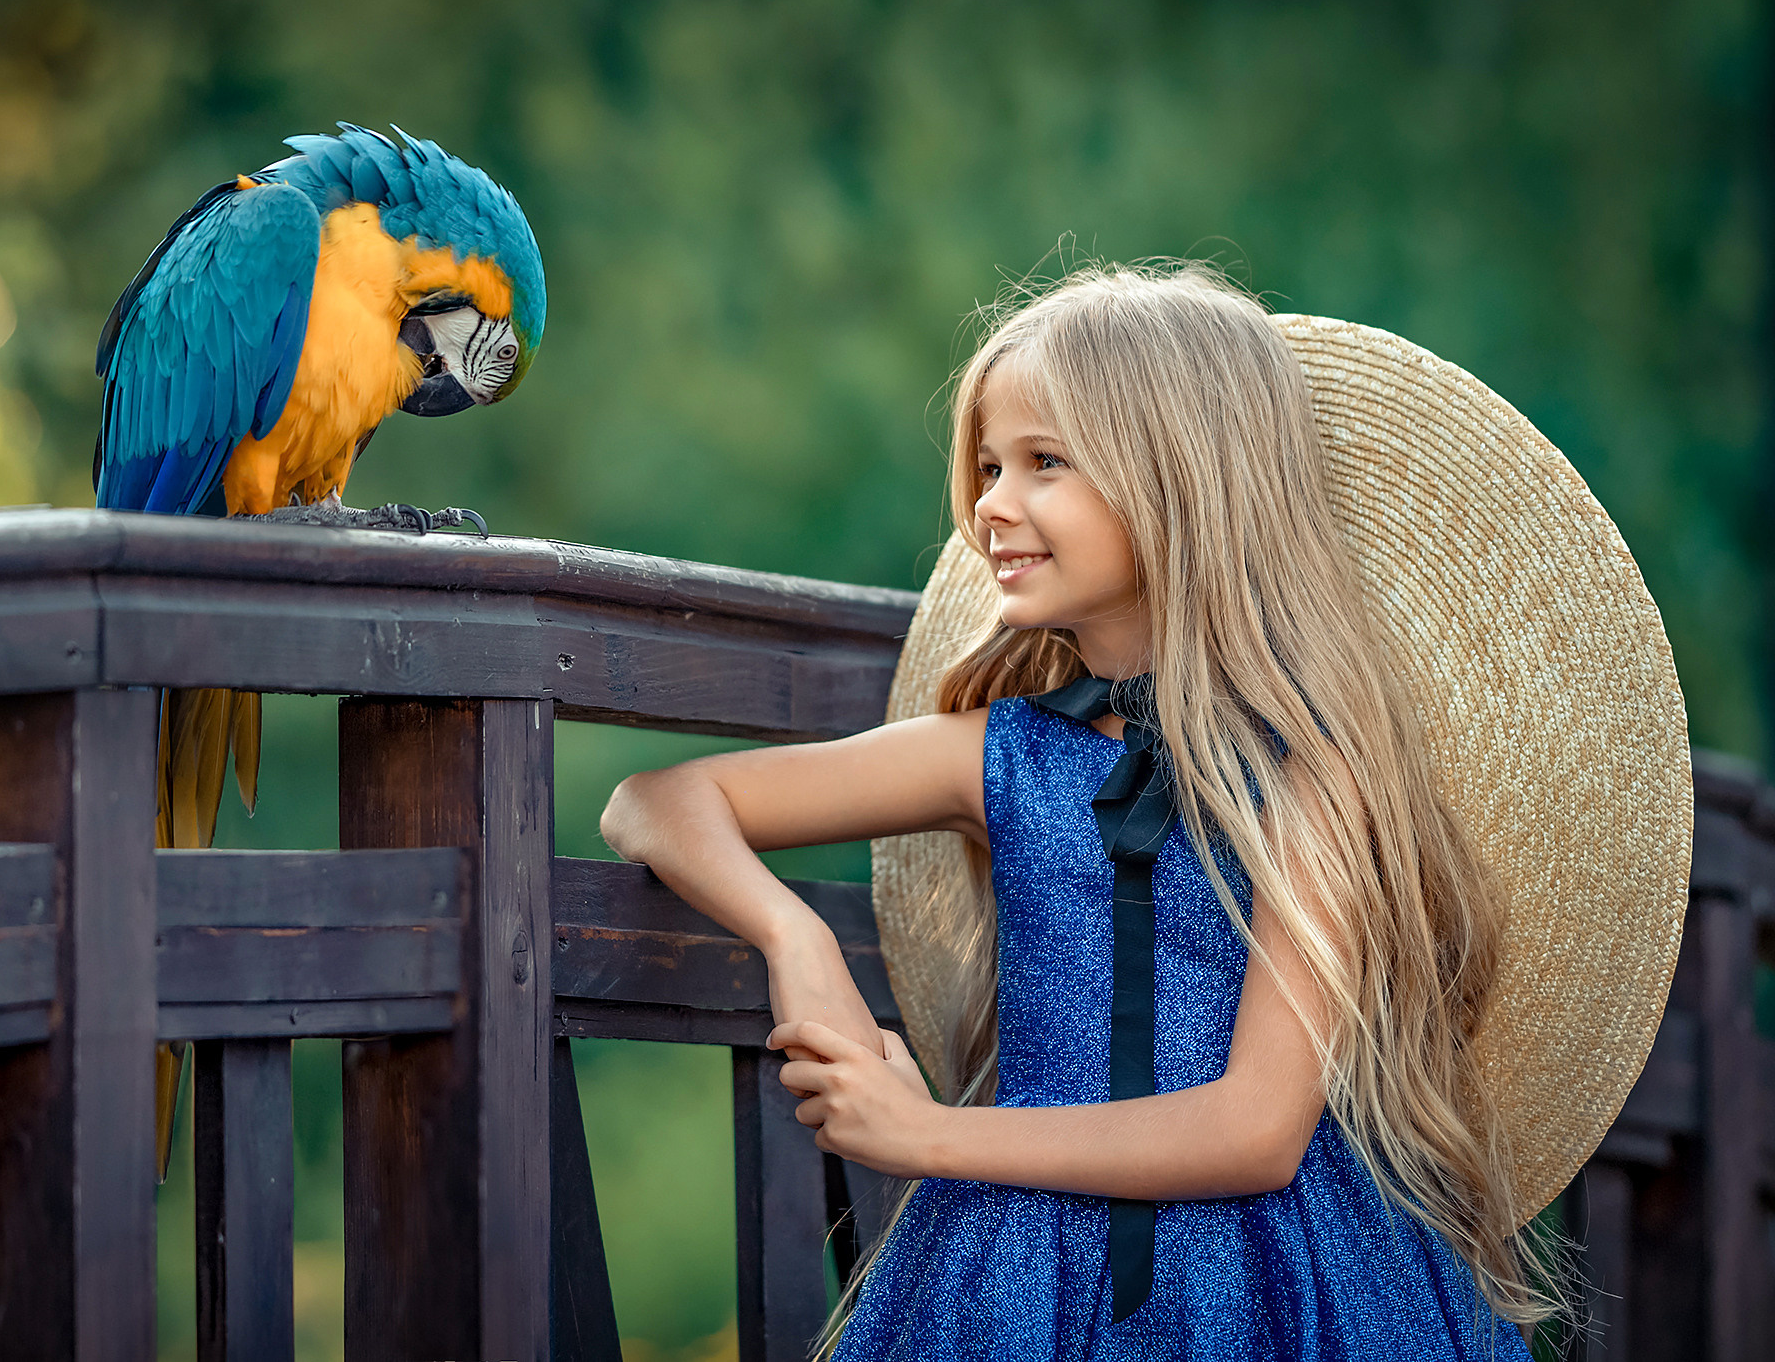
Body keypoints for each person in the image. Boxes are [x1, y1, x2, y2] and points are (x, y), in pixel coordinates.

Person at [599, 262, 1690, 1358]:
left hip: (1273, 1278)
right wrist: (794, 935)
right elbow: (657, 803)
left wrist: (931, 1133)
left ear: (1181, 482)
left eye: (1043, 463)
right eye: (986, 465)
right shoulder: (998, 754)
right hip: (1014, 1273)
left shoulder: (1309, 774)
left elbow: (1256, 1131)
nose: (989, 503)